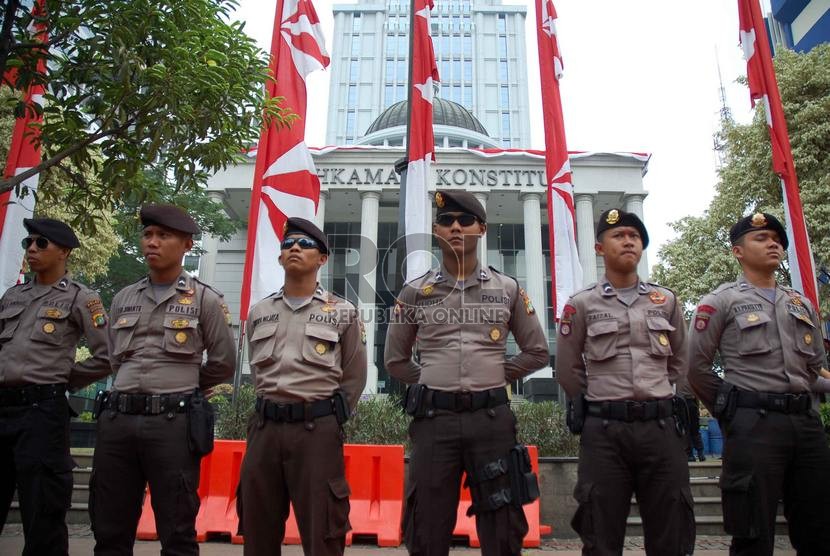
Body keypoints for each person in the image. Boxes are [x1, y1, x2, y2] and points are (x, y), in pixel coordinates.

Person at [384, 190, 549, 556]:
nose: (455, 227)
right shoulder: (414, 292)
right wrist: (430, 378)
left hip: (491, 421)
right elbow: (395, 361)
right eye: (446, 221)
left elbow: (537, 350)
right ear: (436, 230)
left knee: (503, 526)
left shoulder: (507, 289)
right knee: (426, 526)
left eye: (464, 221)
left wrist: (494, 374)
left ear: (482, 229)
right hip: (434, 422)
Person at [90, 204, 236, 555]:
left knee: (177, 530)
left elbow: (223, 362)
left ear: (187, 245)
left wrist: (182, 385)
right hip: (118, 422)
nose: (152, 242)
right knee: (109, 528)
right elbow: (114, 358)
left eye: (163, 236)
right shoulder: (124, 298)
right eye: (148, 235)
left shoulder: (206, 300)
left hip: (172, 424)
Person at [688, 212, 830, 555]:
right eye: (761, 238)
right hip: (754, 425)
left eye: (777, 239)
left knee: (821, 527)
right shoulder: (720, 301)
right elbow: (695, 368)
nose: (773, 244)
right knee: (753, 531)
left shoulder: (801, 303)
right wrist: (731, 411)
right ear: (738, 251)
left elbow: (816, 370)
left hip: (806, 424)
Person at [556, 208, 694, 555]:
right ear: (599, 247)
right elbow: (568, 368)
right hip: (605, 432)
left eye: (635, 236)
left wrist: (660, 393)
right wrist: (599, 400)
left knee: (671, 531)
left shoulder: (666, 301)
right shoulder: (581, 304)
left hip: (660, 429)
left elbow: (681, 360)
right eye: (619, 235)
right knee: (601, 532)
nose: (629, 241)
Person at [237, 217, 367, 556]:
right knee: (257, 527)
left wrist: (332, 418)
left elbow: (353, 376)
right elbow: (256, 367)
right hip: (264, 430)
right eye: (288, 244)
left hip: (316, 431)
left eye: (305, 244)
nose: (294, 248)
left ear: (322, 259)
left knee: (323, 529)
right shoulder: (260, 312)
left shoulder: (343, 312)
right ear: (280, 258)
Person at [0, 218, 111, 555]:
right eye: (28, 243)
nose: (32, 249)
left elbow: (107, 355)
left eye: (41, 243)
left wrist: (65, 378)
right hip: (2, 408)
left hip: (41, 413)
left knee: (43, 507)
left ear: (64, 251)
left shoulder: (81, 298)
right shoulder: (12, 295)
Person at [677, 378, 706, 462]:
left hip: (683, 402)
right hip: (691, 402)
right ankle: (700, 453)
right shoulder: (692, 375)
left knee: (686, 430)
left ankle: (690, 454)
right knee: (694, 429)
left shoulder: (679, 373)